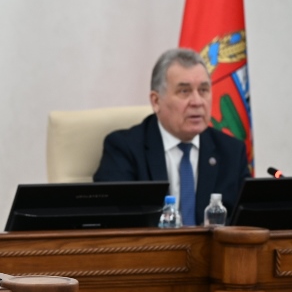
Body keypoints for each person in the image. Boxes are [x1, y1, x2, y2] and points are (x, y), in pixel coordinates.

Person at [93, 48, 248, 225]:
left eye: (203, 90)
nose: (197, 102)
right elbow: (114, 220)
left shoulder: (232, 152)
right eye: (184, 91)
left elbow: (245, 221)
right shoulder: (124, 149)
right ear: (156, 101)